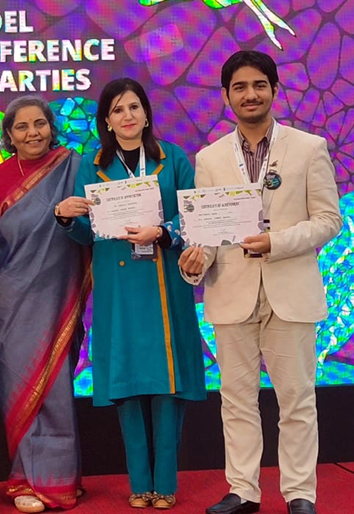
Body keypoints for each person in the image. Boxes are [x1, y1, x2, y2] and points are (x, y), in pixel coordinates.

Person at [178, 50, 341, 514]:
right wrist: (194, 260)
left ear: (273, 89)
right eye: (240, 87)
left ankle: (300, 493)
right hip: (232, 294)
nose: (250, 94)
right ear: (226, 96)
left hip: (291, 292)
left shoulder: (308, 148)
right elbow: (208, 233)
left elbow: (328, 220)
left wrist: (277, 242)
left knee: (297, 400)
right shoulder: (209, 158)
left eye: (258, 85)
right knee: (236, 400)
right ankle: (243, 490)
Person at [56, 78, 206, 509]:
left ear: (146, 114)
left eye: (134, 107)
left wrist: (162, 231)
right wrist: (66, 217)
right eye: (118, 110)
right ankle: (139, 483)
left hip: (166, 283)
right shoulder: (92, 165)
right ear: (106, 120)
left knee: (167, 386)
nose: (127, 116)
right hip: (118, 287)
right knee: (127, 384)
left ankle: (166, 484)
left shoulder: (172, 159)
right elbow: (86, 234)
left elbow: (193, 218)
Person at [0, 96, 90, 513]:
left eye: (39, 124)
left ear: (51, 127)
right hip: (12, 300)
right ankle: (24, 479)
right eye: (21, 127)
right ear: (9, 135)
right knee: (18, 388)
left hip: (59, 294)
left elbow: (93, 224)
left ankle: (60, 479)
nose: (32, 133)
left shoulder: (74, 169)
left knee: (56, 389)